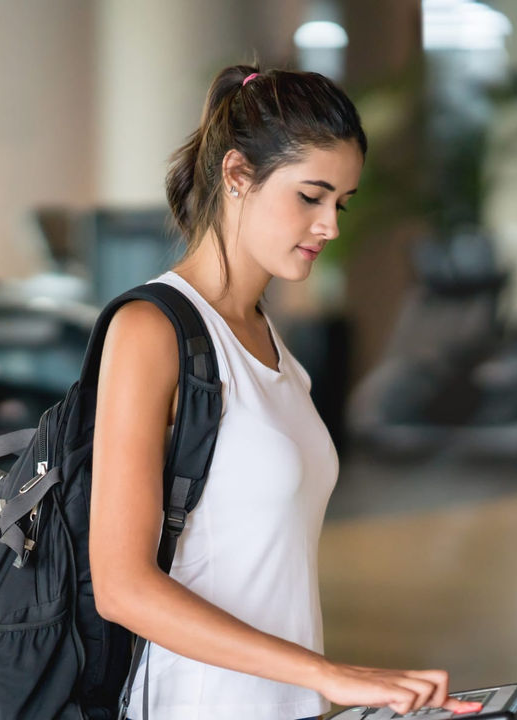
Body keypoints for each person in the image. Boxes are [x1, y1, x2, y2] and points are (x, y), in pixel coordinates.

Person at [88, 65, 484, 720]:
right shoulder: (150, 329)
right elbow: (122, 587)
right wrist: (331, 675)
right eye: (311, 196)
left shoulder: (271, 340)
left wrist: (326, 685)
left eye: (342, 202)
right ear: (237, 175)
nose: (330, 225)